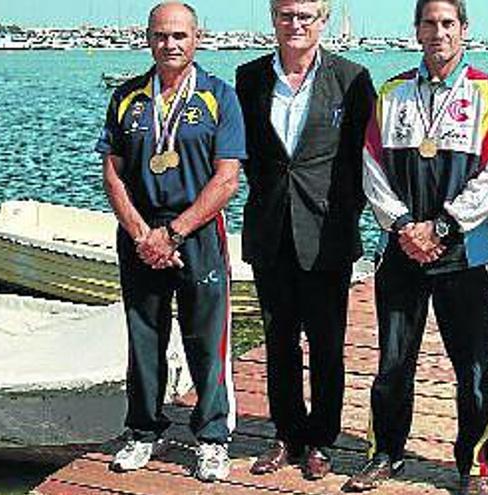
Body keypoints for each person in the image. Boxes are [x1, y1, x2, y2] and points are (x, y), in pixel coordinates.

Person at [343, 1, 488, 493]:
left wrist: (441, 228)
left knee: (473, 368)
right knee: (393, 362)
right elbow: (372, 168)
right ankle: (385, 454)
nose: (439, 32)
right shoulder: (392, 92)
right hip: (401, 250)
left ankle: (473, 467)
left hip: (466, 251)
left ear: (464, 30)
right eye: (429, 23)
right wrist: (403, 227)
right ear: (416, 31)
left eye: (448, 23)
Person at [97, 1, 245, 483]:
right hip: (140, 232)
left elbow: (226, 180)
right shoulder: (127, 97)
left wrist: (175, 232)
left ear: (197, 38)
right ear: (148, 38)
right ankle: (142, 430)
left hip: (198, 231)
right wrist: (143, 234)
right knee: (144, 338)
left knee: (207, 339)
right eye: (161, 35)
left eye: (179, 35)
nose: (170, 44)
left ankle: (212, 438)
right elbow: (113, 174)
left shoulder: (220, 96)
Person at [234, 0, 376, 481]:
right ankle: (286, 434)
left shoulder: (351, 79)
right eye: (286, 15)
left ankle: (321, 440)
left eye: (306, 16)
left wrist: (344, 216)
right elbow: (247, 155)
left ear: (323, 20)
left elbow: (363, 161)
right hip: (270, 228)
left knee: (327, 342)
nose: (296, 25)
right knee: (278, 340)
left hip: (327, 230)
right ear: (274, 18)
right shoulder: (249, 77)